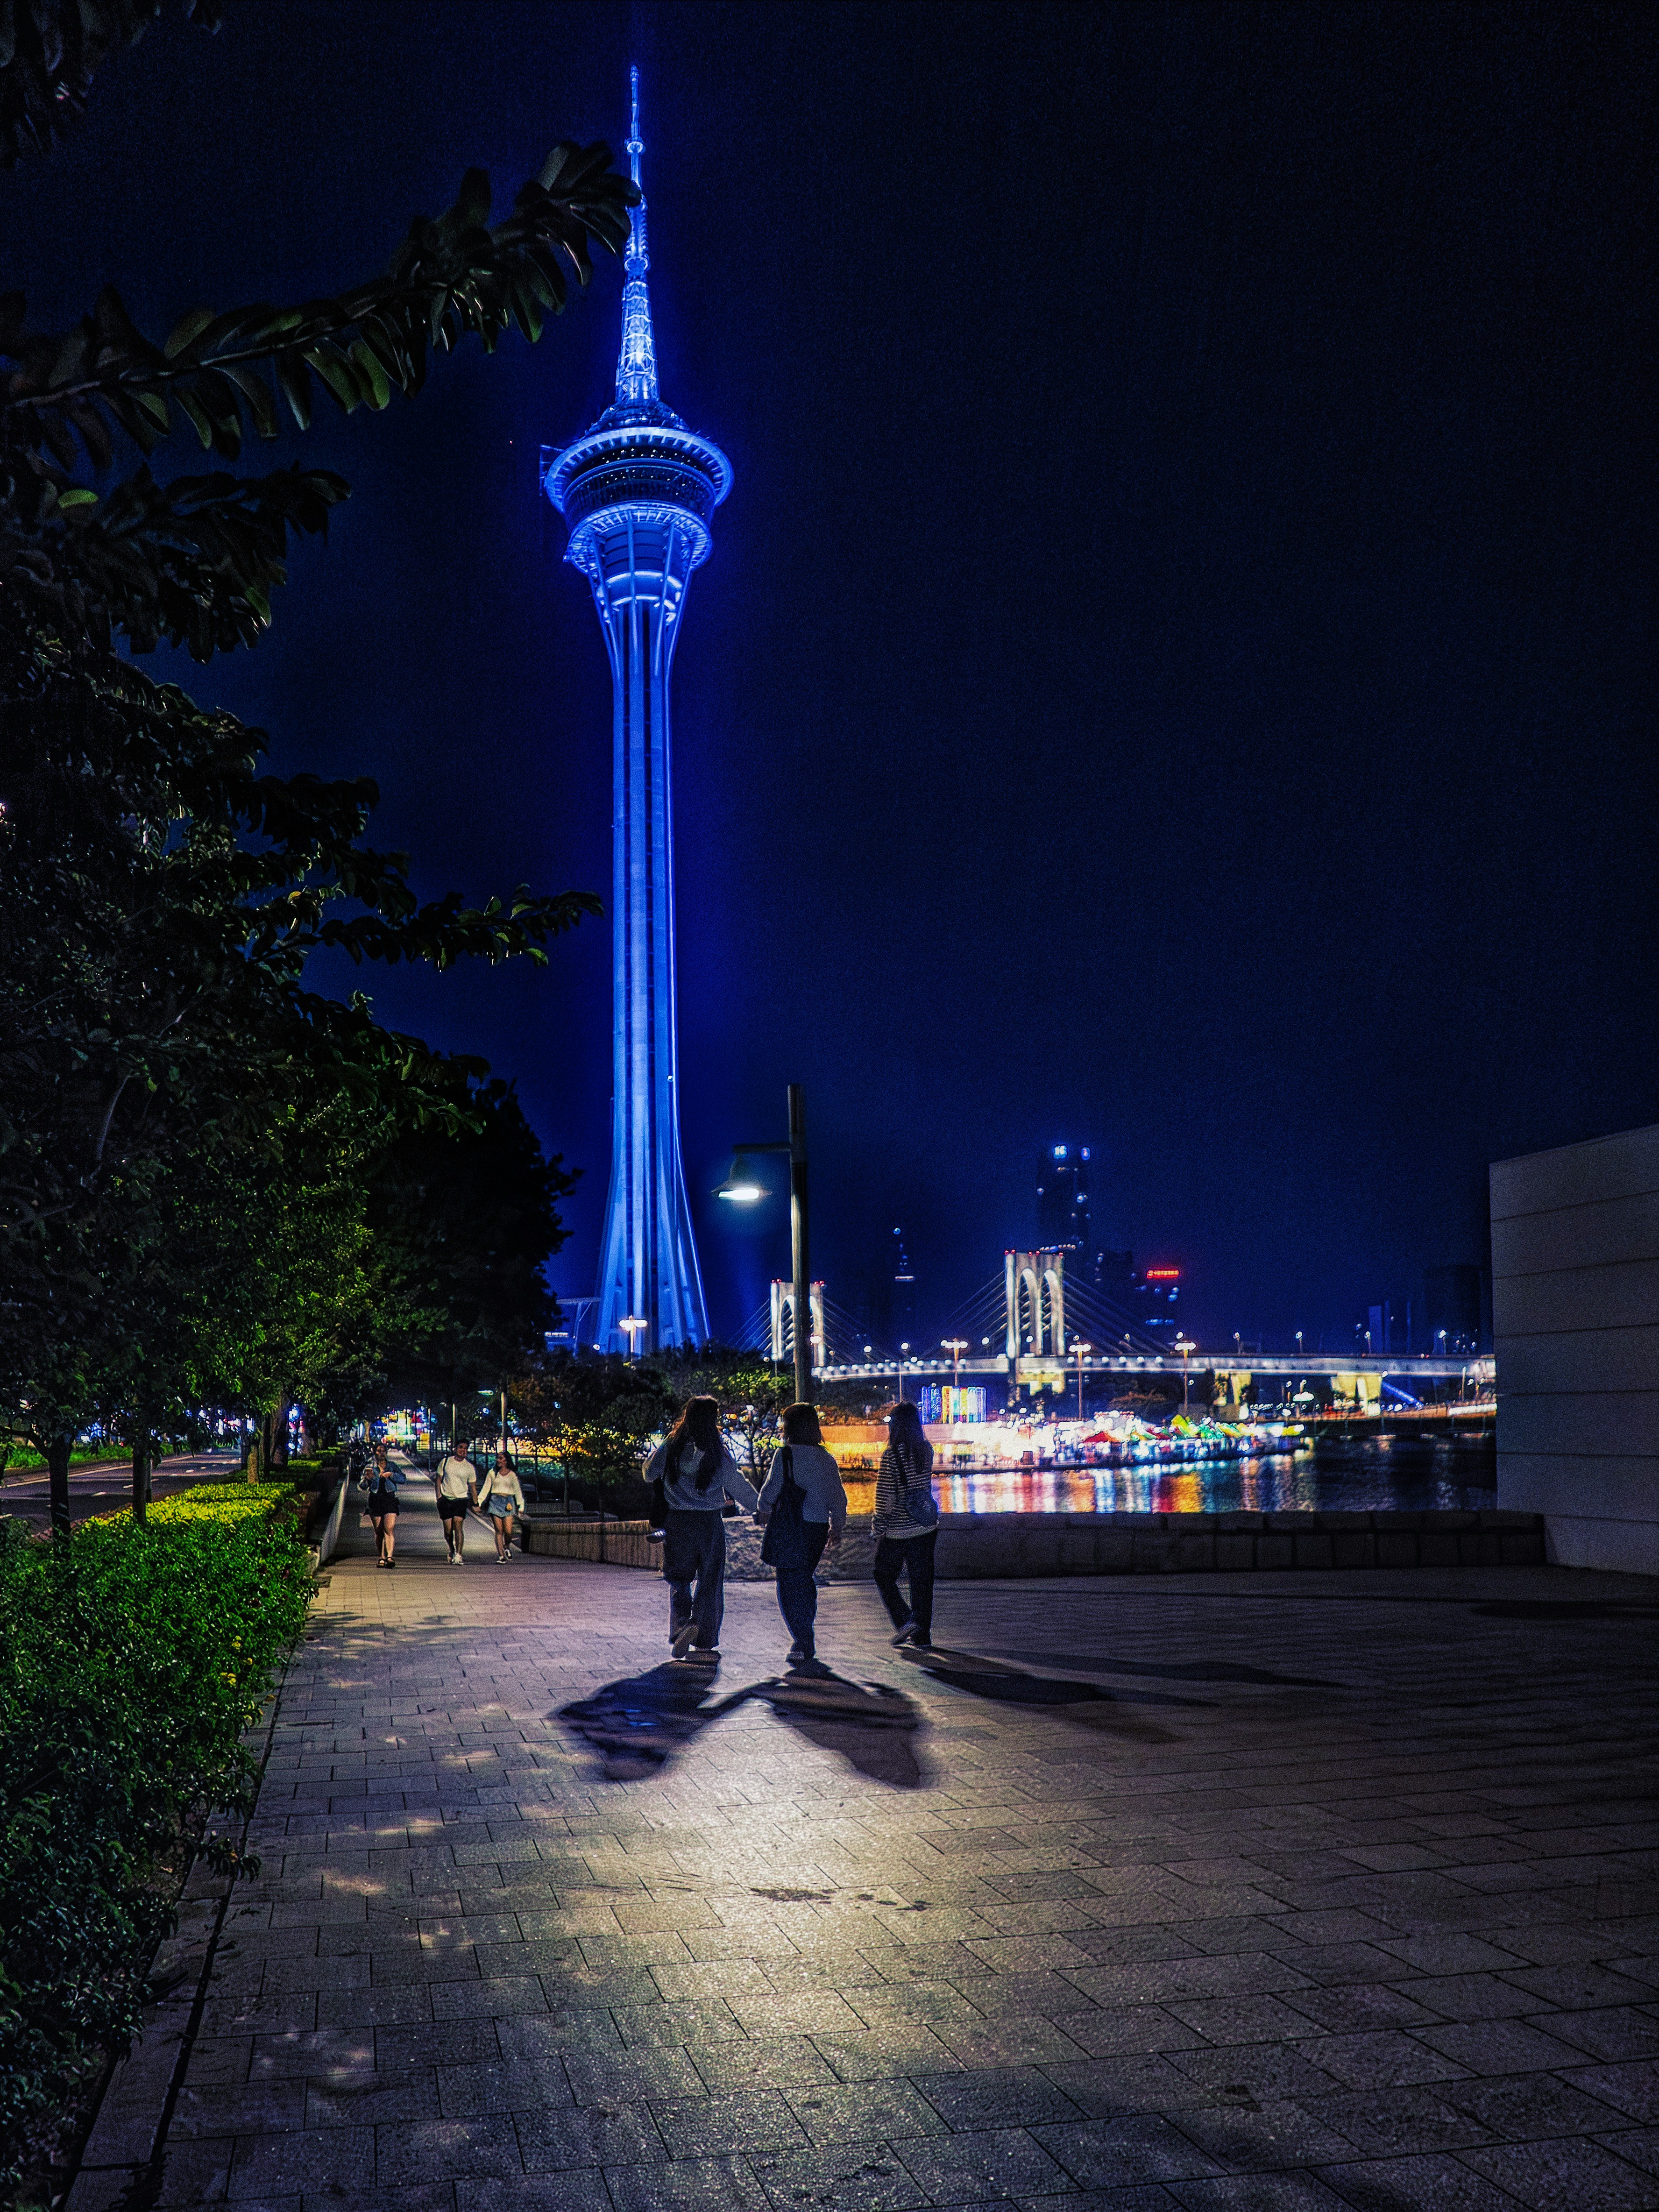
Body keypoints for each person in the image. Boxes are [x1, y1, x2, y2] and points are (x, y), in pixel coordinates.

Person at [643, 1396, 758, 1662]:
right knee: (710, 1580)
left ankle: (683, 1624)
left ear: (687, 1414)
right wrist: (760, 1508)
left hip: (678, 1521)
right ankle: (704, 1637)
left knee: (679, 1579)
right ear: (714, 1417)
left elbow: (649, 1474)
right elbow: (737, 1485)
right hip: (709, 1523)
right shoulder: (717, 1450)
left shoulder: (672, 1445)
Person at [754, 1402, 847, 1675]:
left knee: (787, 1583)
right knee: (805, 1579)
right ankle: (805, 1634)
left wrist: (762, 1510)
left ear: (788, 1428)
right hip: (816, 1530)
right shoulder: (826, 1458)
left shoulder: (785, 1456)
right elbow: (838, 1498)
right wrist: (837, 1527)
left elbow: (769, 1493)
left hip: (790, 1528)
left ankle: (802, 1639)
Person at [872, 1399, 938, 1648]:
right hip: (926, 1525)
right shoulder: (926, 1450)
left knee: (882, 1575)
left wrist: (878, 1529)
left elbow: (885, 1498)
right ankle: (922, 1635)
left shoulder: (891, 1456)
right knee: (922, 1582)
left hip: (898, 1530)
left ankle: (905, 1620)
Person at [433, 1434, 477, 1564]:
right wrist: (439, 1497)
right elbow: (438, 1480)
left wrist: (476, 1503)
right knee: (448, 1531)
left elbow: (473, 1487)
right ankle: (452, 1549)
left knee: (458, 1525)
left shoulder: (469, 1467)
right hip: (446, 1499)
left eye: (466, 1448)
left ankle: (459, 1554)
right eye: (461, 1447)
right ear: (455, 1448)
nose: (463, 1450)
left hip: (461, 1499)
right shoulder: (446, 1462)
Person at [478, 1448, 525, 1563]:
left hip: (508, 1502)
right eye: (498, 1458)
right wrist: (479, 1502)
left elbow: (518, 1491)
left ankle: (507, 1546)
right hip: (495, 1501)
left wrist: (521, 1505)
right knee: (499, 1530)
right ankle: (501, 1556)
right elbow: (486, 1489)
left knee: (508, 1532)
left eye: (501, 1458)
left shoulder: (512, 1475)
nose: (498, 1460)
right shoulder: (492, 1473)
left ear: (506, 1460)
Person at [365, 1442, 400, 1569]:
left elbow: (403, 1479)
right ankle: (382, 1556)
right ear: (375, 1453)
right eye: (379, 1451)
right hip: (375, 1499)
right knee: (379, 1531)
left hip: (390, 1499)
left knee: (389, 1528)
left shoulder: (392, 1466)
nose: (382, 1453)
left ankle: (390, 1557)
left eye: (384, 1451)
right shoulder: (370, 1466)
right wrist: (367, 1480)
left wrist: (391, 1475)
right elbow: (362, 1487)